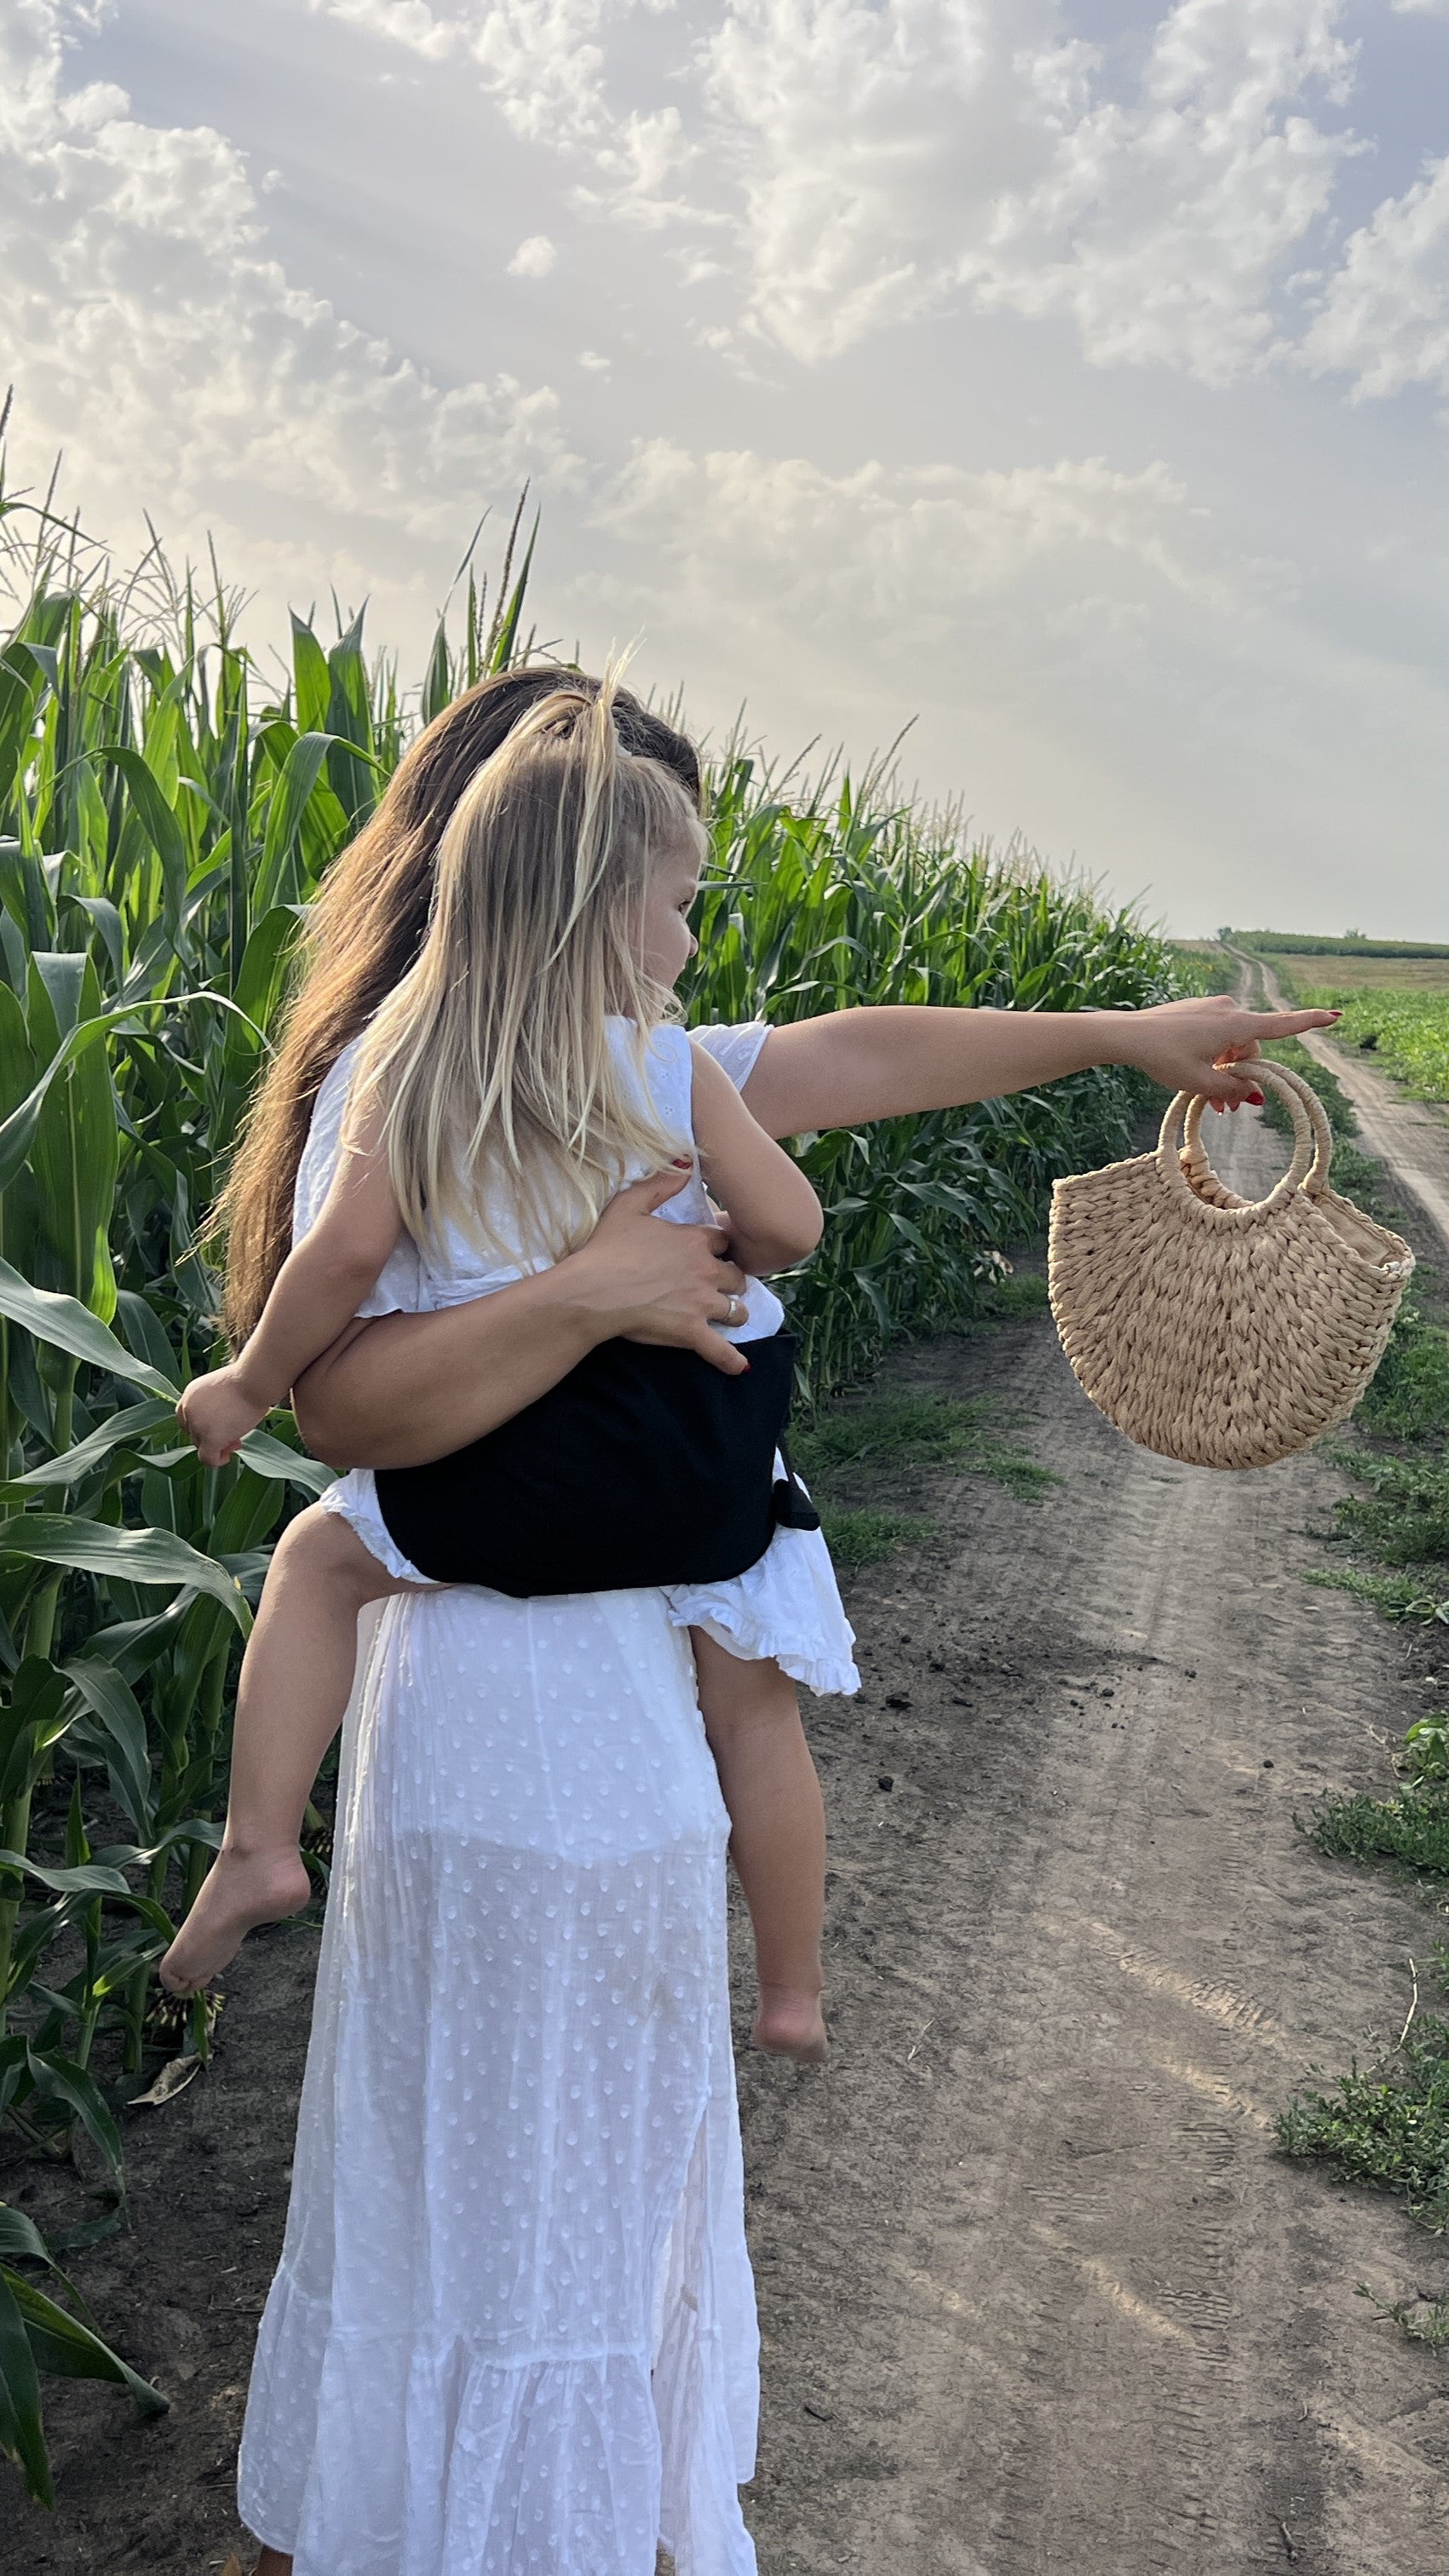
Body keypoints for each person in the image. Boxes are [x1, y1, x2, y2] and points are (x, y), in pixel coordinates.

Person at [217, 661, 1337, 2576]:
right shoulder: (408, 1083)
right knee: (506, 2178)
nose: (684, 937)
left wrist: (1114, 1035)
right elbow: (347, 1418)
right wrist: (595, 1290)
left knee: (579, 2172)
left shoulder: (583, 1052)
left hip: (593, 1713)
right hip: (501, 1704)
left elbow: (844, 1055)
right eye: (656, 883)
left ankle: (558, 2519)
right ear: (540, 877)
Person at [162, 678, 848, 2074]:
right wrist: (707, 1232)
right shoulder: (662, 1065)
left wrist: (244, 1384)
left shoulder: (411, 1064)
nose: (690, 935)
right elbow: (789, 1230)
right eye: (674, 902)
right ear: (600, 916)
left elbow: (341, 1263)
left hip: (518, 1466)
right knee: (753, 1698)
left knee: (317, 1561)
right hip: (693, 1453)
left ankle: (252, 1845)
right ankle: (790, 1990)